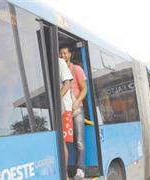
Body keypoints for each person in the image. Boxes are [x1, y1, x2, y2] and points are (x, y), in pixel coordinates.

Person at [60, 45, 87, 179]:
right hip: (65, 111)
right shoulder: (60, 70)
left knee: (79, 141)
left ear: (70, 54)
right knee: (66, 141)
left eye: (65, 53)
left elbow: (84, 89)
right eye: (61, 54)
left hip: (76, 110)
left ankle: (80, 169)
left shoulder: (77, 69)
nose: (63, 56)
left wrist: (77, 102)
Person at [58, 57, 74, 179]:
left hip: (63, 108)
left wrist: (56, 100)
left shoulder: (60, 62)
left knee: (62, 142)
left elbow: (67, 84)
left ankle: (65, 175)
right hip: (56, 109)